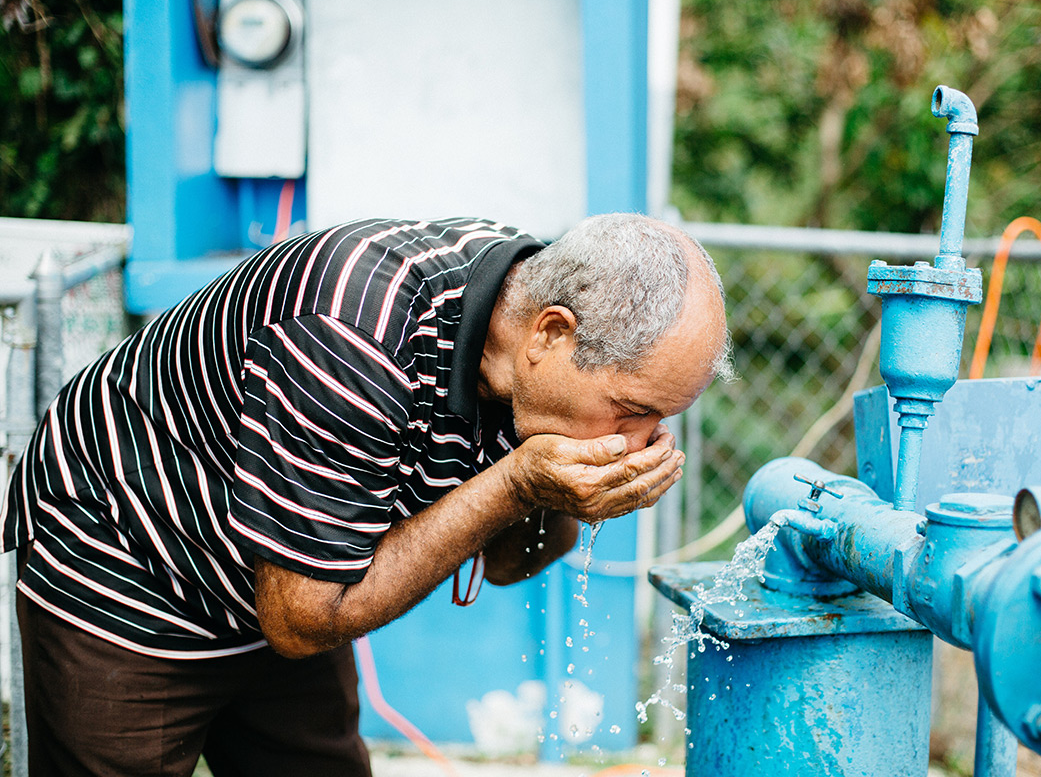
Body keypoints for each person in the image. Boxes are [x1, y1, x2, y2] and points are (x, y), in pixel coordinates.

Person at [1, 212, 733, 776]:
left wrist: (565, 494)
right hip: (127, 550)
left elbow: (509, 564)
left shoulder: (527, 357)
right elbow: (301, 620)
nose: (639, 441)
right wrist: (515, 483)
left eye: (661, 420)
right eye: (632, 410)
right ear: (550, 333)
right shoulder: (354, 334)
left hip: (290, 568)